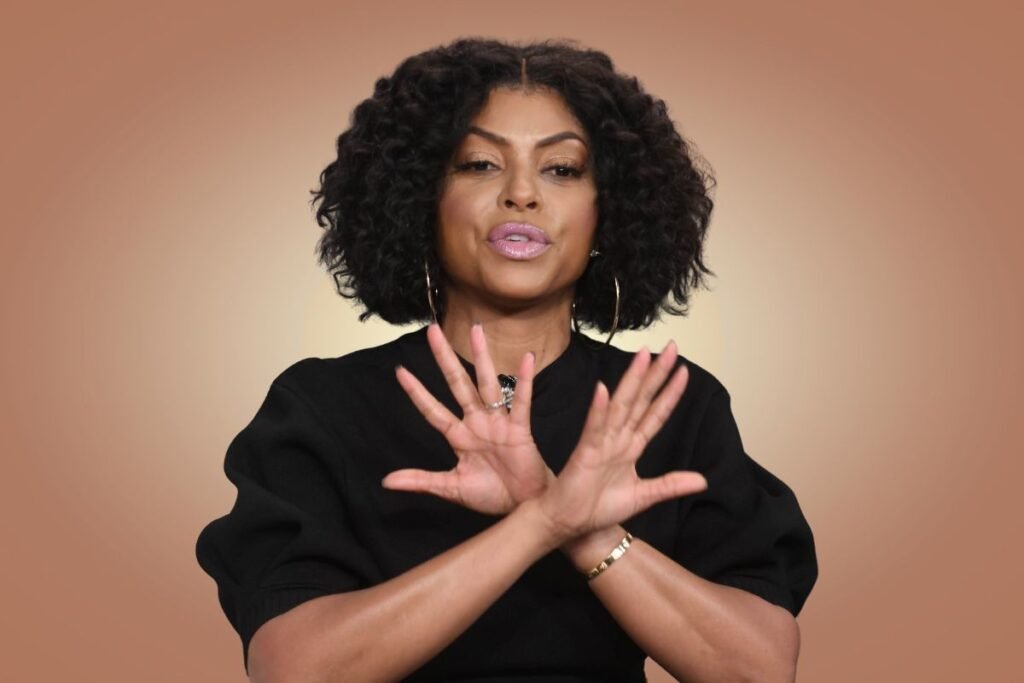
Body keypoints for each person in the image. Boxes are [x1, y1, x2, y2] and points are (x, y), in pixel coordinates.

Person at [195, 37, 818, 683]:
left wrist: (589, 532)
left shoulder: (670, 402)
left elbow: (758, 669)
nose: (522, 193)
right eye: (479, 164)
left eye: (562, 169)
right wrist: (539, 522)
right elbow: (294, 670)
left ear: (608, 213)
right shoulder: (324, 405)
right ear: (422, 200)